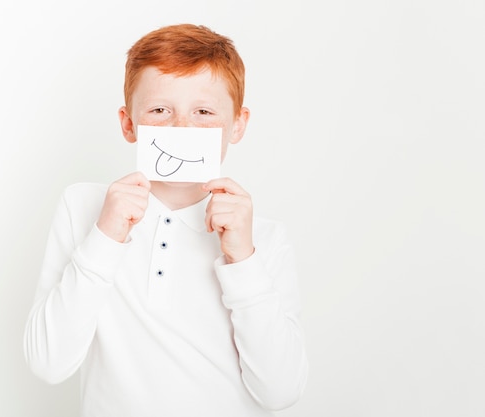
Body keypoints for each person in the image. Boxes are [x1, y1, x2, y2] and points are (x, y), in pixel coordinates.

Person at [24, 23, 308, 416]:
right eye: (160, 110)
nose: (181, 128)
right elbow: (48, 362)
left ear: (237, 124)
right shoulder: (85, 207)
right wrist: (106, 237)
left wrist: (243, 259)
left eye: (204, 112)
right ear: (129, 123)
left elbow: (280, 391)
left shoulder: (265, 238)